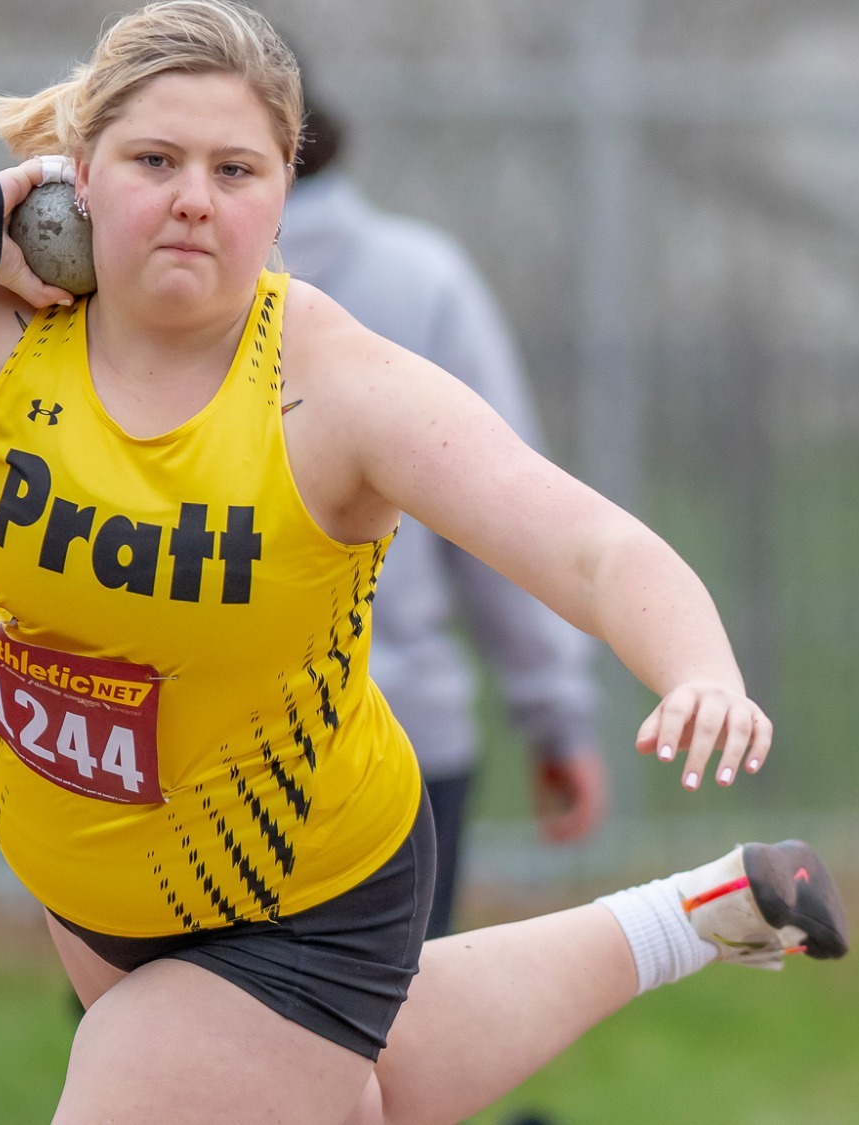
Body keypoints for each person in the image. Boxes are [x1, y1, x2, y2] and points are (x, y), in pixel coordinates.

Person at [0, 3, 849, 1123]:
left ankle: (683, 918)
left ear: (281, 191)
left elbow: (587, 543)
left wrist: (696, 666)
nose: (194, 197)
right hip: (91, 881)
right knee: (376, 1093)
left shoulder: (334, 387)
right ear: (79, 174)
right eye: (154, 162)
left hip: (294, 885)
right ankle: (696, 915)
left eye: (234, 169)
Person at [281, 99, 608, 941]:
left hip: (176, 752)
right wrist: (556, 714)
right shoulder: (423, 278)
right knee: (397, 1037)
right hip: (400, 737)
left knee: (164, 1051)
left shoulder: (133, 285)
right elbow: (508, 518)